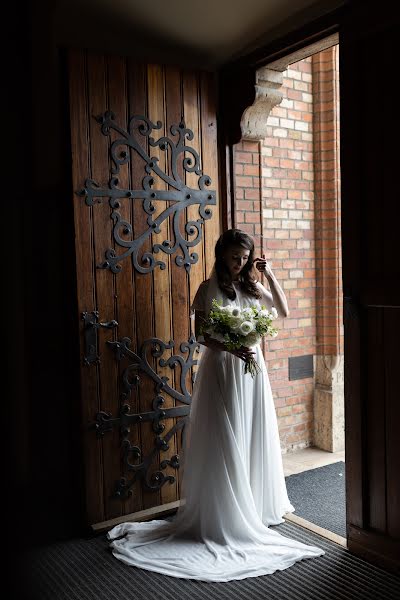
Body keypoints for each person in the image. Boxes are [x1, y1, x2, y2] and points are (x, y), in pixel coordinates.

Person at [107, 228, 324, 581]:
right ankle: (228, 509)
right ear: (222, 255)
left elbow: (281, 311)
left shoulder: (253, 287)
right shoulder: (207, 290)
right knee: (228, 435)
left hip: (253, 370)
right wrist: (231, 347)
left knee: (252, 430)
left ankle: (254, 503)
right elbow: (201, 336)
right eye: (235, 257)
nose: (239, 263)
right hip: (223, 368)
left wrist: (267, 273)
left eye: (245, 257)